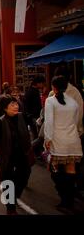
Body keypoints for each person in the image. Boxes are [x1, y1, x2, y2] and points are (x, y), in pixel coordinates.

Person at [0, 96, 33, 215]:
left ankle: (14, 196)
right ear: (5, 108)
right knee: (7, 181)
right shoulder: (1, 122)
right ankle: (10, 208)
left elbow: (33, 122)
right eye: (12, 105)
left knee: (24, 176)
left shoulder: (22, 117)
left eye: (16, 104)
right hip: (8, 155)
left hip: (22, 154)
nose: (16, 106)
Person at [44, 76, 83, 211]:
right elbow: (77, 122)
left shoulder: (50, 101)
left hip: (58, 142)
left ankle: (64, 200)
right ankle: (70, 201)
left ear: (53, 87)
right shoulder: (73, 102)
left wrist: (47, 140)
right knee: (71, 171)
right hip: (73, 142)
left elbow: (49, 123)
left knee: (55, 171)